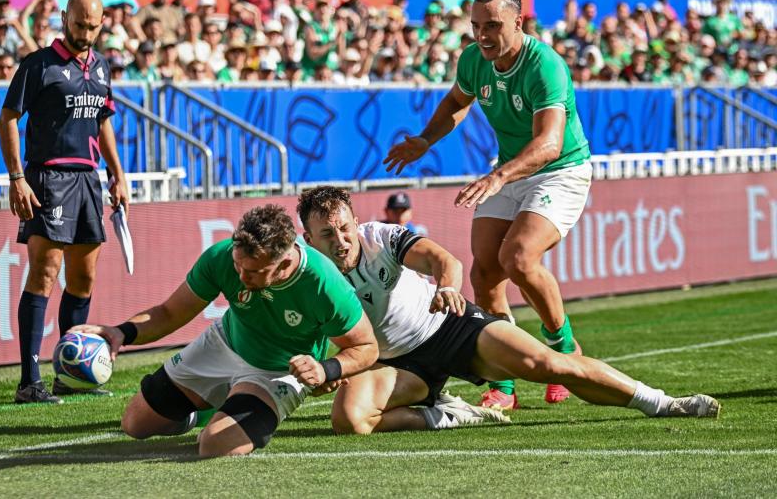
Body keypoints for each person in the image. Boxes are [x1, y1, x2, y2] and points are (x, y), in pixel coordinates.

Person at [298, 186, 721, 434]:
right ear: (309, 237)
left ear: (356, 222)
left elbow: (445, 262)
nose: (341, 240)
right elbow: (309, 328)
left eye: (344, 228)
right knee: (350, 421)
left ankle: (661, 402)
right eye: (327, 233)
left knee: (548, 365)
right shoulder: (305, 273)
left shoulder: (381, 237)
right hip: (394, 363)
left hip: (449, 328)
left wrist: (447, 287)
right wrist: (327, 368)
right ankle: (445, 412)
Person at [384, 0, 593, 411]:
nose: (482, 35)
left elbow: (549, 144)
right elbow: (456, 103)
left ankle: (564, 347)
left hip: (560, 170)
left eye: (493, 25)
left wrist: (499, 176)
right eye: (476, 26)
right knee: (483, 274)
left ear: (519, 23)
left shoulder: (546, 65)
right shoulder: (474, 59)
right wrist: (425, 139)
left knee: (518, 259)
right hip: (510, 171)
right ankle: (506, 380)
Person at [72, 205, 379, 457]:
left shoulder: (325, 284)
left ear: (284, 263)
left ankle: (226, 410)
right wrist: (121, 333)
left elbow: (366, 347)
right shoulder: (222, 258)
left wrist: (325, 369)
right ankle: (200, 411)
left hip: (276, 373)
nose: (241, 276)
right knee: (135, 424)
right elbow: (169, 312)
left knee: (215, 445)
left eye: (254, 272)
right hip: (223, 343)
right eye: (238, 266)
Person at [0, 0, 128, 405]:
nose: (85, 33)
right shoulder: (38, 65)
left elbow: (103, 122)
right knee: (45, 272)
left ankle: (69, 375)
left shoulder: (102, 67)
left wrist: (117, 175)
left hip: (87, 180)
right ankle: (28, 380)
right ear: (64, 18)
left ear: (102, 22)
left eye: (93, 26)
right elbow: (8, 119)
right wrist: (17, 177)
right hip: (48, 177)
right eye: (78, 24)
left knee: (84, 278)